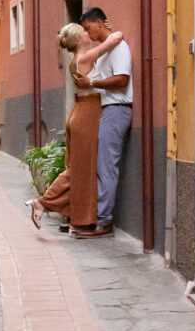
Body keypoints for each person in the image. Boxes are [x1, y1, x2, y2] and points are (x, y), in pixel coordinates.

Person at [26, 22, 123, 233]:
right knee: (83, 171)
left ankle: (65, 213)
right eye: (84, 32)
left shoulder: (75, 60)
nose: (88, 33)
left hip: (78, 112)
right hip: (88, 114)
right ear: (79, 39)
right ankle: (46, 204)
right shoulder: (85, 57)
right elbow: (114, 40)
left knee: (74, 170)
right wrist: (108, 28)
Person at [72, 7, 132, 238]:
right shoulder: (107, 51)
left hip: (117, 109)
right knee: (103, 166)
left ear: (99, 22)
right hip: (109, 109)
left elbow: (122, 80)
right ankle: (99, 219)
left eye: (89, 28)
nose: (88, 34)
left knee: (106, 167)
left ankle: (104, 223)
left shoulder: (119, 49)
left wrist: (93, 84)